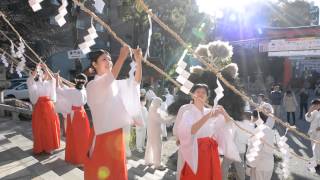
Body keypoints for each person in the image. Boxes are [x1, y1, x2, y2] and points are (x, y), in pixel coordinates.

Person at [84, 46, 142, 180]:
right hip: (102, 135)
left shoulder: (115, 84)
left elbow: (135, 83)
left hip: (116, 134)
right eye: (104, 59)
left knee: (116, 172)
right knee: (101, 172)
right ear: (94, 64)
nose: (108, 62)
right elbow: (108, 80)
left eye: (109, 59)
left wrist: (138, 61)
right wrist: (122, 57)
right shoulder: (92, 85)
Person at [177, 84, 240, 180]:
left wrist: (224, 112)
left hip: (210, 152)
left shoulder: (210, 111)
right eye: (197, 92)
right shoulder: (188, 113)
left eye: (203, 93)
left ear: (207, 97)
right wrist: (208, 116)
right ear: (192, 95)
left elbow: (229, 123)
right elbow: (191, 130)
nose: (200, 94)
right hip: (195, 151)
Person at [55, 73, 90, 166]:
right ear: (85, 82)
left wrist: (57, 78)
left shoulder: (72, 91)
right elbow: (73, 87)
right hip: (83, 114)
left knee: (74, 137)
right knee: (83, 136)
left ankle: (76, 157)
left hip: (74, 115)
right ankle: (84, 157)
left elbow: (58, 90)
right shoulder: (84, 90)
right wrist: (62, 82)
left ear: (75, 81)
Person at [27, 63, 60, 154]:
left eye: (44, 73)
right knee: (39, 127)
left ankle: (49, 147)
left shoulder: (49, 83)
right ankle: (40, 147)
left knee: (49, 127)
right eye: (42, 73)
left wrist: (46, 68)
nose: (44, 75)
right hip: (39, 107)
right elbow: (30, 83)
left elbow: (53, 80)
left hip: (49, 107)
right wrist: (32, 76)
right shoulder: (35, 83)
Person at [222, 111, 255, 180]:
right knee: (240, 170)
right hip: (241, 150)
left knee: (224, 167)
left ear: (244, 116)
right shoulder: (252, 126)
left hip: (232, 149)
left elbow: (229, 129)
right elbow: (249, 140)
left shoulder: (237, 123)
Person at [248, 110, 274, 180]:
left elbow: (256, 152)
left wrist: (250, 166)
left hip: (260, 165)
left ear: (257, 118)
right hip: (269, 163)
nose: (251, 117)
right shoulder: (268, 129)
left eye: (252, 116)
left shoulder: (259, 131)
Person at [144, 97, 167, 170]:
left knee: (150, 146)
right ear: (157, 103)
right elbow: (163, 120)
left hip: (151, 131)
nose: (160, 105)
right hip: (155, 132)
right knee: (157, 147)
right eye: (160, 103)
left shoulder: (152, 109)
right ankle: (157, 164)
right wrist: (171, 118)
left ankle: (148, 161)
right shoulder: (155, 111)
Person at [173, 103, 193, 180]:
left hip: (194, 143)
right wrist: (178, 137)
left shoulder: (184, 107)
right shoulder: (184, 108)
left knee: (183, 165)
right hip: (187, 141)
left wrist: (177, 137)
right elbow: (178, 124)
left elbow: (177, 125)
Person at [305, 99, 320, 167]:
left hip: (319, 134)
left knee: (318, 148)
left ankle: (317, 163)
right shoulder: (315, 111)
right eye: (314, 105)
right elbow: (309, 119)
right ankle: (316, 162)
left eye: (316, 105)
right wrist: (309, 111)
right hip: (313, 132)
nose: (314, 106)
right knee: (314, 148)